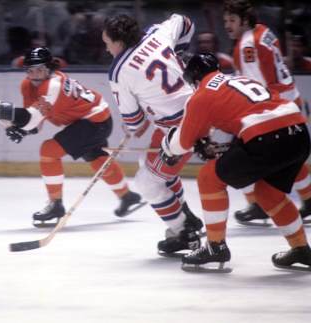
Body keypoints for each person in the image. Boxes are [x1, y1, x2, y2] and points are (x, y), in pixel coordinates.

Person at [160, 53, 311, 271]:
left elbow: (182, 143)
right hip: (298, 133)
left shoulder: (201, 94)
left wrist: (167, 146)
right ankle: (301, 249)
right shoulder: (239, 80)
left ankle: (215, 246)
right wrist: (206, 143)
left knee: (209, 178)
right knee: (268, 193)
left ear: (193, 77)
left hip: (265, 137)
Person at [0, 47, 144, 228]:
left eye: (40, 69)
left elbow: (29, 118)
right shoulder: (27, 85)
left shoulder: (54, 85)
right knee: (95, 157)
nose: (35, 75)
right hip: (89, 120)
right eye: (30, 70)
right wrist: (21, 129)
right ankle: (127, 196)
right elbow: (34, 121)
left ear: (49, 69)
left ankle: (56, 205)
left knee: (49, 150)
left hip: (95, 121)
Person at [102, 14, 203, 255]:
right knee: (147, 164)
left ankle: (182, 231)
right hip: (198, 108)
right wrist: (178, 54)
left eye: (107, 43)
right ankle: (186, 215)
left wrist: (133, 125)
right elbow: (185, 20)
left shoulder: (119, 71)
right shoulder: (157, 33)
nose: (106, 49)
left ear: (118, 42)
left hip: (180, 129)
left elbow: (135, 123)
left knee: (145, 183)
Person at [223, 0, 311, 225]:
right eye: (225, 21)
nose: (227, 25)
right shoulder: (264, 31)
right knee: (287, 157)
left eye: (232, 20)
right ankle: (306, 200)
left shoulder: (246, 46)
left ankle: (258, 205)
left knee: (246, 154)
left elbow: (258, 85)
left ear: (245, 20)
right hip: (292, 100)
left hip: (276, 108)